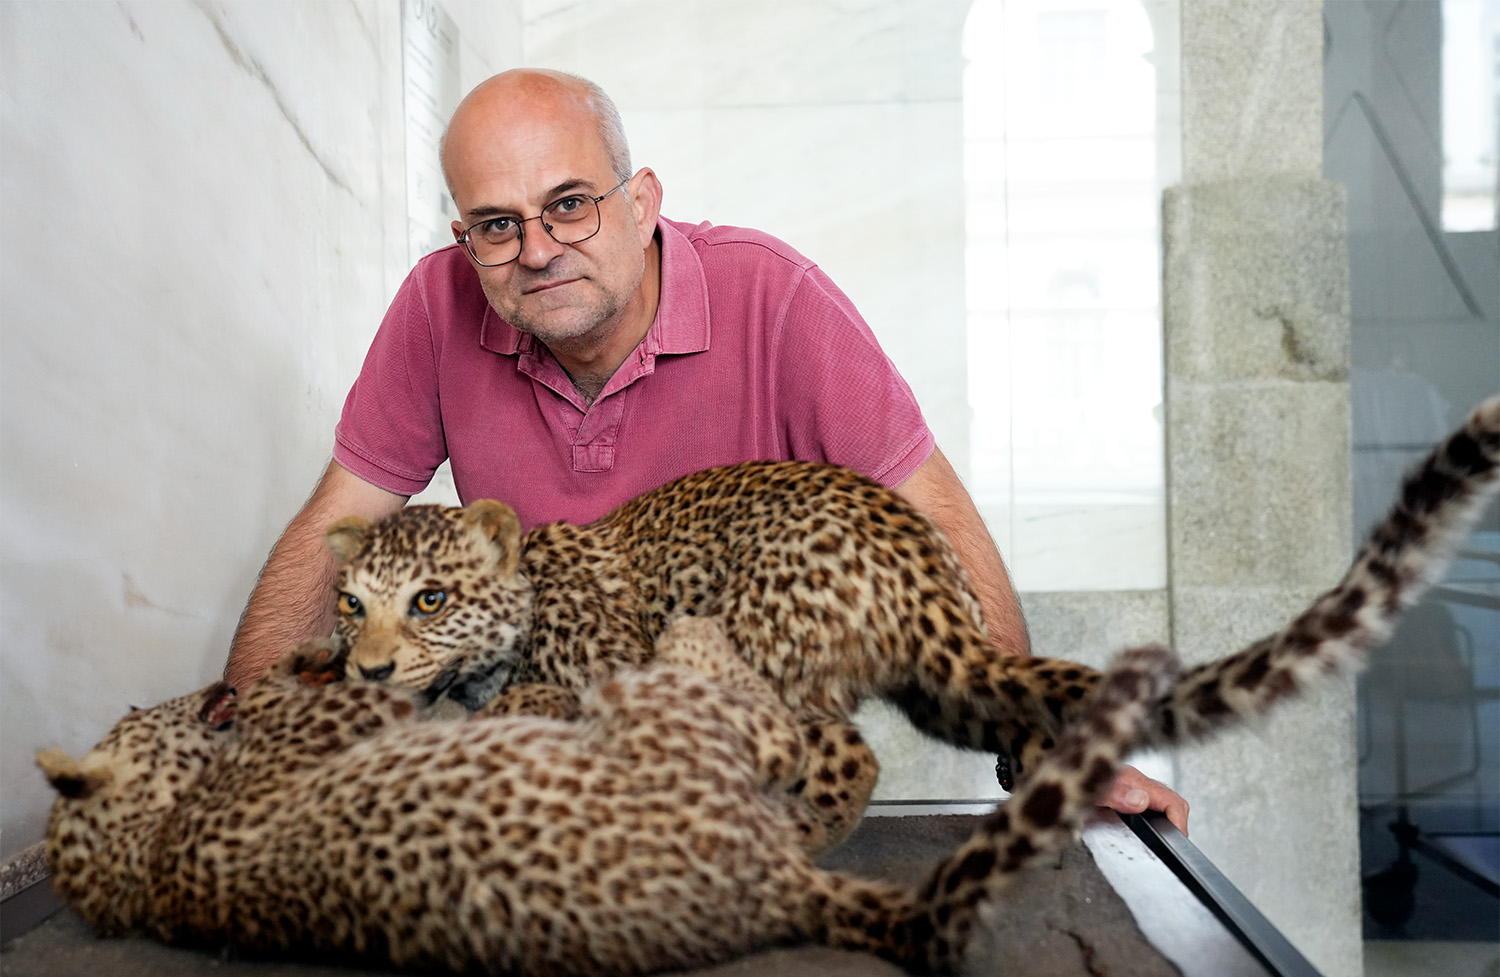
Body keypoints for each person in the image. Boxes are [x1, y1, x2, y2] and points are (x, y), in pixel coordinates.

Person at [223, 68, 1188, 834]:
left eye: (570, 205)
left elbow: (935, 520)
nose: (538, 249)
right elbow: (336, 525)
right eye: (498, 225)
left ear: (641, 201)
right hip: (551, 775)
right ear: (465, 239)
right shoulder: (437, 304)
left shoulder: (775, 298)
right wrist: (246, 743)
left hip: (746, 771)